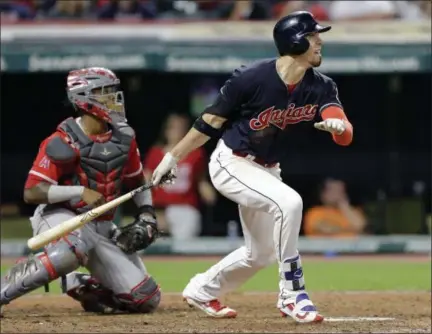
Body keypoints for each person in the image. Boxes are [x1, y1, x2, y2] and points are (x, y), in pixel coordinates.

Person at [151, 11, 354, 323]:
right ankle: (292, 294)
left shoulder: (321, 87)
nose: (320, 41)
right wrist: (173, 157)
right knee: (289, 202)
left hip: (267, 169)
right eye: (314, 36)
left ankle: (201, 290)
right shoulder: (251, 78)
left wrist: (339, 127)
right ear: (295, 41)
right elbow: (209, 122)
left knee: (258, 254)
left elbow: (344, 130)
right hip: (231, 162)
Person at [0, 67, 161, 316]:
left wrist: (147, 213)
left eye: (112, 92)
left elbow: (137, 182)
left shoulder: (125, 138)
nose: (113, 98)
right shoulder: (63, 140)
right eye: (104, 92)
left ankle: (78, 283)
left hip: (101, 226)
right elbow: (32, 192)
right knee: (69, 251)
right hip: (62, 217)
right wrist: (78, 191)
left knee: (145, 299)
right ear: (84, 98)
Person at [143, 113, 216, 240]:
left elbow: (200, 180)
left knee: (184, 240)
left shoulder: (196, 154)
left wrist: (209, 193)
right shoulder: (156, 153)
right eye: (173, 127)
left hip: (185, 208)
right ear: (166, 130)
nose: (176, 131)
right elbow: (145, 182)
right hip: (160, 208)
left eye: (180, 128)